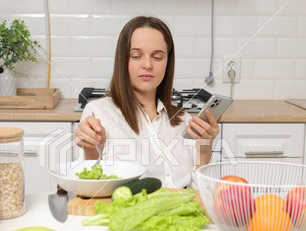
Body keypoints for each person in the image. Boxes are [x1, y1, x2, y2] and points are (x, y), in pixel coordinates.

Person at [74, 16, 220, 189]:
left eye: (157, 57)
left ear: (168, 62)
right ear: (123, 60)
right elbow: (88, 190)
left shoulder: (184, 120)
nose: (147, 65)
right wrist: (91, 149)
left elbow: (201, 194)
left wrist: (204, 149)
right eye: (136, 56)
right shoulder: (98, 113)